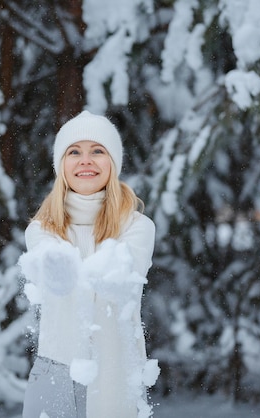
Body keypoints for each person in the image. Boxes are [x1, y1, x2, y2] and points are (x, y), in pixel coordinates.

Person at [18, 110, 159, 418]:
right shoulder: (42, 229)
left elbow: (119, 276)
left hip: (116, 375)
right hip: (57, 371)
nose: (86, 160)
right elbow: (53, 274)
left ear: (113, 163)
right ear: (61, 165)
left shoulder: (137, 227)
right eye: (74, 152)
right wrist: (57, 271)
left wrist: (76, 272)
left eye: (97, 151)